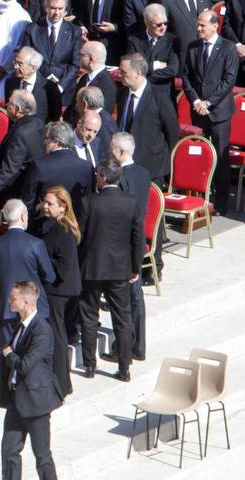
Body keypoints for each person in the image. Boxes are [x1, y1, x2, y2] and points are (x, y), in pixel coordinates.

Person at [78, 158, 143, 382]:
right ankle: (124, 368)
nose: (96, 178)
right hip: (120, 269)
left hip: (92, 268)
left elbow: (81, 237)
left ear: (104, 177)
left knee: (88, 316)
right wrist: (135, 268)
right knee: (122, 318)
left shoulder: (89, 202)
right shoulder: (131, 202)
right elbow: (137, 238)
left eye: (98, 175)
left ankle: (89, 366)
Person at [0, 281, 62, 480]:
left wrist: (9, 354)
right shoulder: (21, 326)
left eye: (12, 298)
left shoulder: (41, 329)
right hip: (17, 400)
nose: (9, 301)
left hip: (37, 403)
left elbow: (25, 365)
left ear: (26, 302)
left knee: (42, 456)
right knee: (9, 452)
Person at [181, 9, 237, 214]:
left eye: (202, 25)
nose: (198, 28)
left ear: (215, 26)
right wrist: (196, 100)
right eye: (197, 24)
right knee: (198, 154)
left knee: (220, 158)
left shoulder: (228, 48)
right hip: (198, 111)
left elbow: (228, 80)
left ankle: (221, 202)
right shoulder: (193, 47)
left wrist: (209, 103)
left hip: (219, 112)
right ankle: (198, 197)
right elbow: (186, 76)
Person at [0, 199, 55, 347]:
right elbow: (50, 276)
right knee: (31, 353)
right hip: (32, 306)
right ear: (23, 217)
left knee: (7, 353)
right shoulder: (36, 244)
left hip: (5, 305)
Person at [105, 132, 150, 363]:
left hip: (122, 245)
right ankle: (138, 345)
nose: (108, 151)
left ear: (122, 152)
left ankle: (123, 348)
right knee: (136, 297)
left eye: (111, 148)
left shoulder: (120, 178)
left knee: (124, 301)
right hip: (137, 241)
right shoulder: (143, 173)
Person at [38, 186, 81, 398]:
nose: (45, 207)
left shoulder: (63, 232)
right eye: (44, 202)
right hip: (56, 289)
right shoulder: (53, 226)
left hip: (58, 290)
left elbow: (62, 267)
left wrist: (40, 260)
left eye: (50, 204)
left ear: (62, 207)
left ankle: (62, 384)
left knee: (57, 336)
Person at [116, 53, 179, 182]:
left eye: (124, 72)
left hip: (152, 167)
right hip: (125, 165)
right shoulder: (122, 95)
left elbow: (172, 131)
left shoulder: (159, 97)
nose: (119, 75)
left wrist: (162, 157)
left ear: (138, 72)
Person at [22, 120, 93, 225]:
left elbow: (28, 200)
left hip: (43, 225)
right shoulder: (86, 166)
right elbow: (87, 200)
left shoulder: (39, 165)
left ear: (56, 142)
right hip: (72, 225)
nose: (44, 142)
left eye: (46, 138)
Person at [0, 90, 45, 206]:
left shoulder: (21, 133)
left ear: (18, 109)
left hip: (16, 192)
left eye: (10, 104)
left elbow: (9, 170)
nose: (6, 105)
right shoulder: (38, 124)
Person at [22, 0, 82, 110]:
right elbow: (26, 59)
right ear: (46, 7)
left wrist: (60, 86)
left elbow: (74, 65)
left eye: (60, 9)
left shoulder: (74, 32)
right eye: (53, 8)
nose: (56, 12)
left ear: (65, 9)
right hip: (37, 88)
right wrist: (39, 83)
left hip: (64, 91)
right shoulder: (32, 29)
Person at [127, 3, 179, 104]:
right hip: (141, 96)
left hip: (164, 96)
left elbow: (172, 70)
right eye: (158, 24)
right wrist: (157, 65)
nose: (163, 27)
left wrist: (144, 75)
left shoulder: (173, 41)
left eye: (165, 23)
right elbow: (133, 67)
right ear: (147, 23)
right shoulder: (134, 40)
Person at [65, 41, 116, 122]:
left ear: (91, 59)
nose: (78, 57)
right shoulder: (84, 78)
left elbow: (102, 116)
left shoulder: (107, 85)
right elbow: (74, 105)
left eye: (81, 55)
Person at [3, 47, 49, 123]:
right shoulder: (10, 83)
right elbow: (9, 110)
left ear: (33, 68)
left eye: (20, 64)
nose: (15, 67)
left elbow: (54, 117)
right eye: (15, 62)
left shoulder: (48, 88)